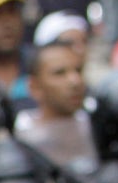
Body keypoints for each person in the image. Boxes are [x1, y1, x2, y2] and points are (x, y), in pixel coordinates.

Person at [13, 40, 94, 168]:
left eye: (78, 70)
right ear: (34, 86)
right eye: (60, 73)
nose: (75, 81)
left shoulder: (98, 127)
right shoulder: (19, 135)